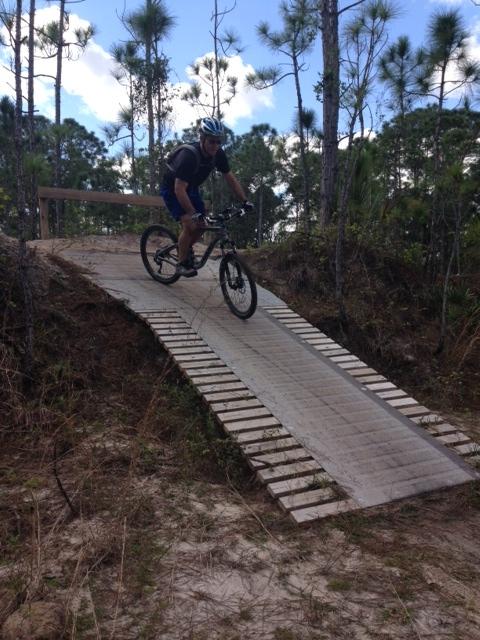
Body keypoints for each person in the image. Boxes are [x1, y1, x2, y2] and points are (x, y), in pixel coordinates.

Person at [160, 117, 253, 277]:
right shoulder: (188, 156)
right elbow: (179, 189)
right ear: (202, 138)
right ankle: (181, 264)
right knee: (190, 224)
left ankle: (185, 247)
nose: (215, 146)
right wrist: (192, 213)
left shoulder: (218, 154)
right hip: (173, 189)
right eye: (212, 141)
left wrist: (245, 201)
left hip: (192, 189)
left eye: (219, 142)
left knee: (202, 225)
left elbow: (230, 178)